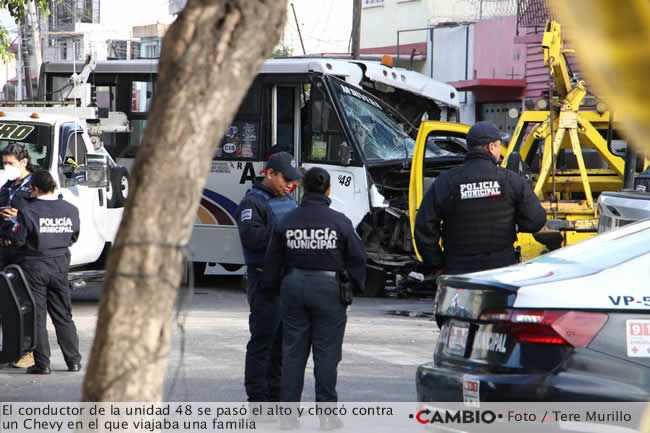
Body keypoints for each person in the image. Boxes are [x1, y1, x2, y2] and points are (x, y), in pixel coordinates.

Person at [263, 167, 367, 430]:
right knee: (326, 355)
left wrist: (272, 289)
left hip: (293, 288)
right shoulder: (340, 221)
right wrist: (353, 286)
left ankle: (288, 417)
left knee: (293, 355)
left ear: (304, 189)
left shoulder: (288, 220)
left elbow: (272, 261)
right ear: (328, 190)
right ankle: (328, 416)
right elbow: (358, 257)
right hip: (329, 290)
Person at [414, 121, 547, 275]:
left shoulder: (446, 181)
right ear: (491, 147)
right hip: (502, 270)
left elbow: (424, 228)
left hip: (458, 270)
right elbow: (536, 220)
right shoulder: (510, 180)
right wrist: (514, 221)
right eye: (498, 145)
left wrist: (437, 263)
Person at [235, 151, 303, 405]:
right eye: (286, 179)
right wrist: (287, 235)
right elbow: (252, 238)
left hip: (289, 282)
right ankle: (258, 399)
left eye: (293, 180)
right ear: (270, 174)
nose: (290, 185)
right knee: (263, 342)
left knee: (284, 345)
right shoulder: (253, 203)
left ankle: (277, 396)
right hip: (265, 282)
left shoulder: (290, 200)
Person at [0, 169, 82, 374]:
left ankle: (43, 363)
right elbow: (74, 236)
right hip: (60, 264)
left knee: (38, 316)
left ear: (35, 189)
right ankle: (73, 361)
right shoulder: (70, 209)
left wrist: (12, 224)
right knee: (63, 315)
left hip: (34, 266)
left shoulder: (29, 211)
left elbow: (18, 240)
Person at [0, 143, 35, 369]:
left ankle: (28, 351)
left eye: (10, 164)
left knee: (25, 301)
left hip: (24, 251)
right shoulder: (6, 186)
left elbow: (43, 211)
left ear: (23, 162)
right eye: (4, 164)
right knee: (6, 303)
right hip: (4, 248)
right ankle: (11, 349)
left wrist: (21, 214)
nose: (7, 168)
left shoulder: (35, 185)